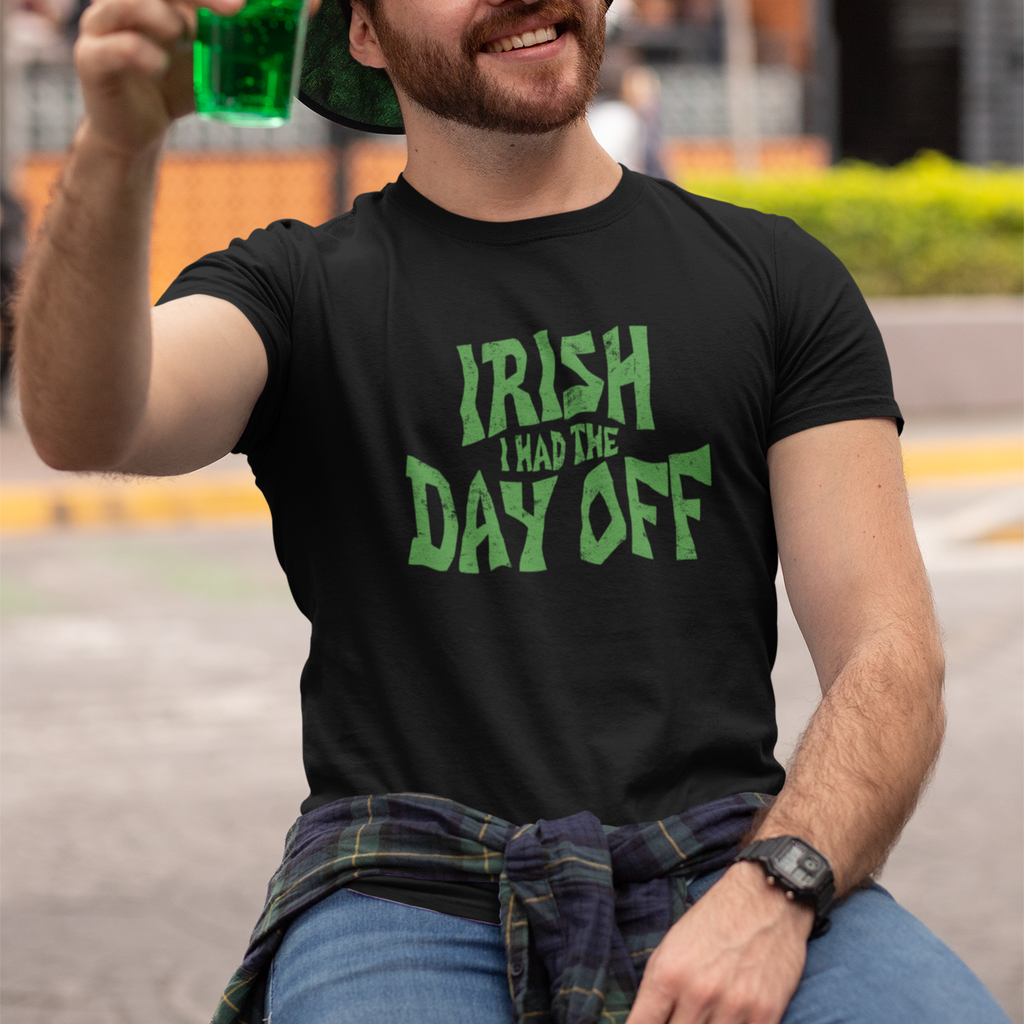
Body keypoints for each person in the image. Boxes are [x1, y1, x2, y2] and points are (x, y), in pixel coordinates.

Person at [13, 0, 1012, 1022]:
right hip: (405, 886)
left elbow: (889, 657)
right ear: (362, 35)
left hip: (730, 858)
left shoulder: (775, 278)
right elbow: (87, 423)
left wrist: (776, 885)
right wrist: (117, 145)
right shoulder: (294, 290)